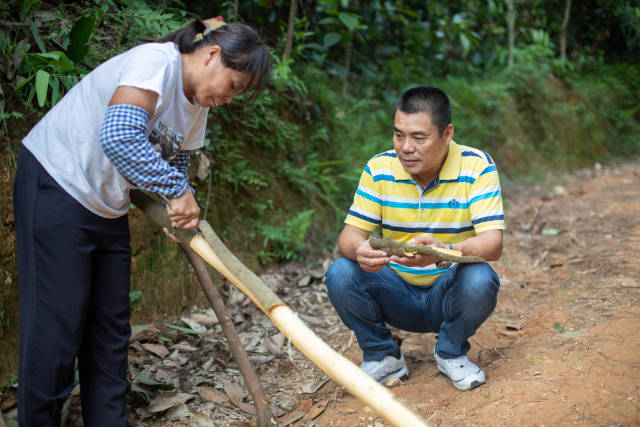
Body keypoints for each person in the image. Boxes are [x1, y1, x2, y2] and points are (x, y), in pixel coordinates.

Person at [13, 17, 269, 426]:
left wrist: (177, 211)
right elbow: (119, 136)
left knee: (110, 331)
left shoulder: (197, 105)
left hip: (107, 206)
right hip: (58, 185)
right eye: (234, 86)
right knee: (56, 329)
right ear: (212, 55)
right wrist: (175, 191)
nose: (229, 98)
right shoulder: (157, 62)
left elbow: (175, 165)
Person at [325, 86, 504, 391]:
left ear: (447, 134)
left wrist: (445, 252)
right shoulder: (379, 168)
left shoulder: (477, 167)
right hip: (395, 290)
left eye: (419, 138)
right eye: (398, 135)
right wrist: (359, 249)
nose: (406, 147)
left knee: (480, 277)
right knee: (340, 271)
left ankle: (450, 351)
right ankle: (382, 355)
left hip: (448, 291)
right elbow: (349, 236)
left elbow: (493, 244)